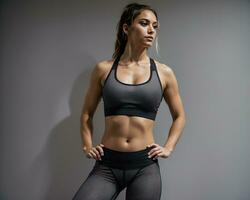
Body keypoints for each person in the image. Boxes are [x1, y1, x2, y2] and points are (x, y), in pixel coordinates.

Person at [72, 3, 186, 200]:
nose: (151, 30)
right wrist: (87, 146)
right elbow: (86, 114)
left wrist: (168, 147)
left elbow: (180, 116)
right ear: (126, 28)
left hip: (144, 167)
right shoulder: (104, 69)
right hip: (107, 165)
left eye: (155, 26)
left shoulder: (163, 72)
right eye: (144, 23)